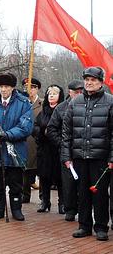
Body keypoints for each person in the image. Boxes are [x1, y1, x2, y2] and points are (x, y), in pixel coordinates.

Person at [61, 67, 113, 241]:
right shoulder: (74, 102)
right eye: (87, 79)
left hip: (101, 157)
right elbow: (66, 133)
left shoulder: (110, 102)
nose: (89, 83)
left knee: (99, 194)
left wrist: (112, 158)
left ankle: (101, 227)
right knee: (82, 193)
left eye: (93, 80)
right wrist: (66, 156)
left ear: (101, 82)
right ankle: (84, 226)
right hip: (79, 157)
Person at [0, 73, 33, 221]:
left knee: (16, 182)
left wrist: (8, 135)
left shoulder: (23, 103)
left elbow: (25, 126)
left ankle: (16, 209)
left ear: (12, 87)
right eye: (1, 86)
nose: (3, 89)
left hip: (16, 149)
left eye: (6, 87)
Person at [47, 80, 84, 221]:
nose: (79, 94)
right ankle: (70, 209)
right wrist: (62, 144)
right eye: (76, 92)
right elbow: (51, 129)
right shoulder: (61, 108)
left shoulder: (87, 105)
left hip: (82, 151)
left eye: (81, 92)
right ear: (70, 92)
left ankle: (84, 209)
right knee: (68, 183)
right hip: (66, 151)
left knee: (83, 182)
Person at [34, 85, 65, 213]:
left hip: (58, 148)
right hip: (45, 148)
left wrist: (55, 135)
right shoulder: (43, 111)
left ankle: (62, 203)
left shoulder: (64, 110)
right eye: (49, 93)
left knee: (60, 178)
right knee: (44, 177)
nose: (51, 95)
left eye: (54, 93)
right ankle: (45, 202)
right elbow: (35, 126)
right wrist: (41, 132)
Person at [21, 77, 43, 203]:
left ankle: (43, 197)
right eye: (27, 87)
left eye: (32, 87)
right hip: (25, 140)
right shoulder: (21, 104)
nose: (30, 90)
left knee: (40, 169)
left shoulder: (42, 104)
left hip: (38, 141)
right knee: (25, 169)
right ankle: (25, 194)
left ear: (37, 89)